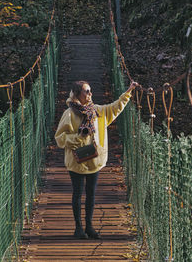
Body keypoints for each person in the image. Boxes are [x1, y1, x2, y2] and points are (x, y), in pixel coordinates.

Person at [55, 80, 137, 239]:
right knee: (78, 193)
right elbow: (60, 138)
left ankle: (89, 226)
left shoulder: (97, 111)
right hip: (76, 161)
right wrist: (78, 137)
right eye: (86, 91)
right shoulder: (69, 114)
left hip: (94, 160)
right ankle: (78, 228)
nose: (90, 94)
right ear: (77, 94)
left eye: (90, 90)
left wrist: (129, 92)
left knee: (91, 194)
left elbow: (115, 108)